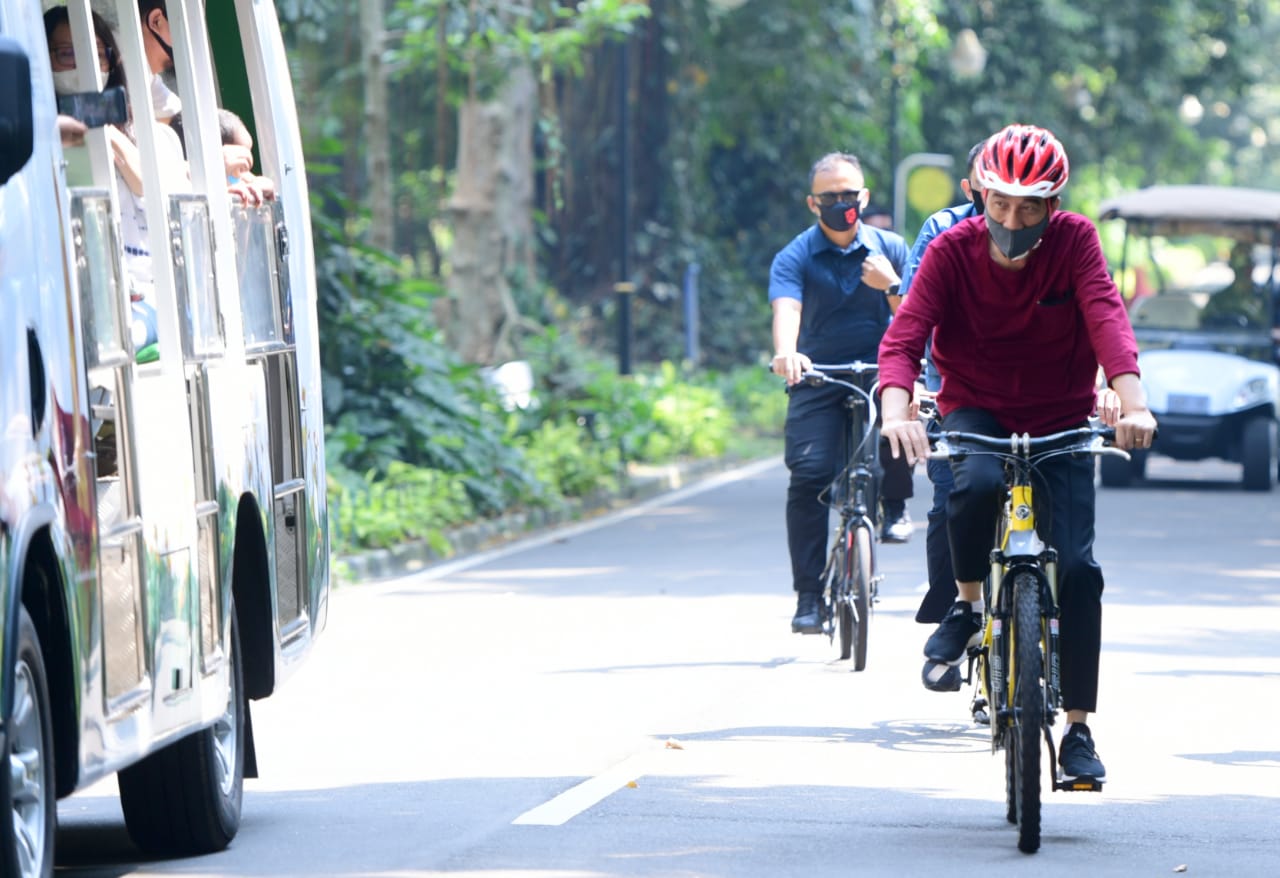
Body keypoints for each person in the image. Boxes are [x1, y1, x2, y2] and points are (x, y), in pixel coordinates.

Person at [877, 124, 1158, 785]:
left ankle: (1080, 729)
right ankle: (971, 606)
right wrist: (897, 409)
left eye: (1030, 207)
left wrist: (1132, 400)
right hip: (976, 405)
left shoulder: (1076, 242)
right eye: (1000, 203)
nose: (1012, 219)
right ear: (980, 194)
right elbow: (905, 336)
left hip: (1060, 416)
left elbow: (1107, 318)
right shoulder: (951, 251)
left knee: (1082, 572)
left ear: (1053, 205)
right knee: (971, 488)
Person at [769, 151, 914, 636]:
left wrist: (889, 284)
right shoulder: (796, 255)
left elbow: (916, 315)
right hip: (819, 375)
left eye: (849, 195)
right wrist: (788, 353)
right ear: (814, 203)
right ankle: (809, 596)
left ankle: (895, 505)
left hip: (882, 370)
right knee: (808, 476)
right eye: (830, 196)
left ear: (864, 197)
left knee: (898, 428)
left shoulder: (891, 247)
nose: (841, 203)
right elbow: (786, 307)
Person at [897, 139, 988, 631]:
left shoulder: (1055, 238)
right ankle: (953, 611)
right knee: (949, 498)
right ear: (970, 185)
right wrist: (910, 383)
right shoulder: (943, 232)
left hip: (1026, 394)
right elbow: (913, 314)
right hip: (950, 389)